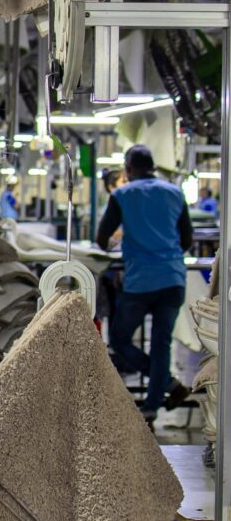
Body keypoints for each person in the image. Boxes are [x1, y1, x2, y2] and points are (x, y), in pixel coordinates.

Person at [97, 145, 193, 425]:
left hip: (140, 282)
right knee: (162, 344)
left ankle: (169, 385)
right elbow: (187, 240)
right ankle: (153, 405)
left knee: (120, 340)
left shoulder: (122, 195)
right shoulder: (175, 193)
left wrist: (119, 245)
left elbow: (102, 239)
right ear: (152, 167)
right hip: (172, 279)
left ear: (128, 169)